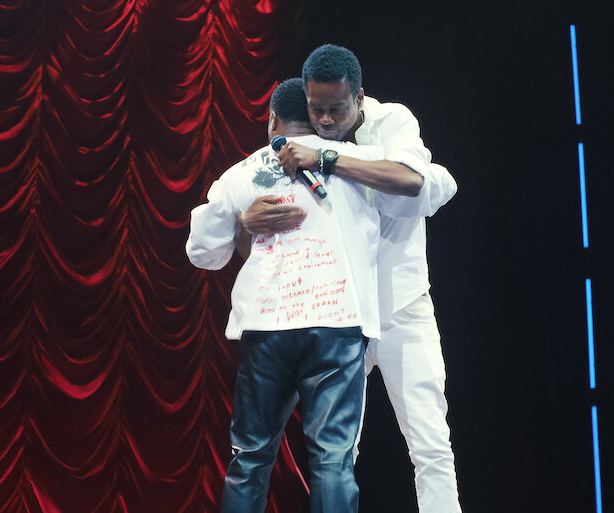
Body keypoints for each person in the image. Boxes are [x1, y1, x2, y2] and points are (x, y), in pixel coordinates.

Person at [186, 77, 416, 513]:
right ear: (314, 115)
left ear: (272, 118)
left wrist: (241, 221)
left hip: (267, 328)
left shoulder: (240, 174)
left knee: (250, 458)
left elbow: (202, 253)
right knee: (333, 461)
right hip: (337, 323)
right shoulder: (357, 160)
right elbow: (419, 185)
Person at [271, 44, 461, 512]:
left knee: (431, 444)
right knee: (335, 454)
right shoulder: (300, 141)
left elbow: (412, 180)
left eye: (337, 109)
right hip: (341, 315)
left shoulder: (391, 121)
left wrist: (326, 158)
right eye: (316, 109)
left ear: (359, 98)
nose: (326, 120)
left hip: (402, 308)